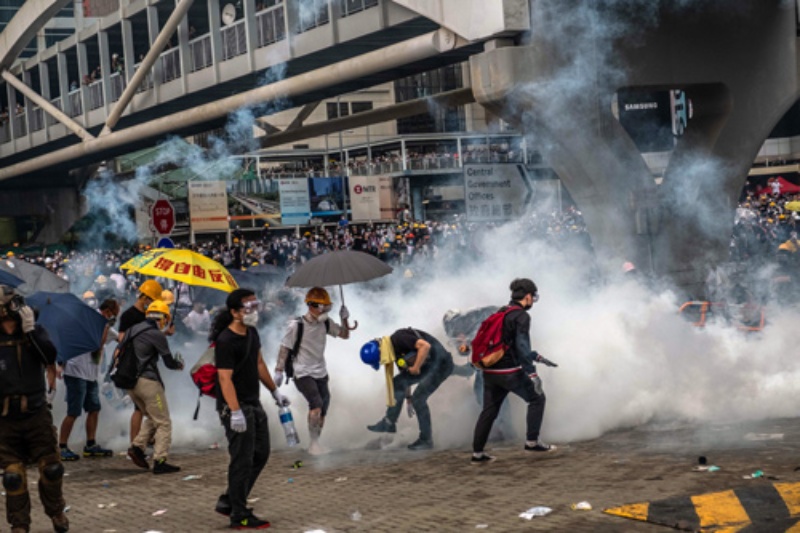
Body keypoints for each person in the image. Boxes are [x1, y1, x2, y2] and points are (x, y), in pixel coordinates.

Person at [211, 288, 289, 530]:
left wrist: (274, 391)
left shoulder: (252, 332)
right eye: (249, 307)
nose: (255, 310)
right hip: (235, 406)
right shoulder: (226, 341)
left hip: (253, 402)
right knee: (242, 460)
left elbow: (258, 363)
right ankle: (239, 513)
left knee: (260, 453)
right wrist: (235, 411)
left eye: (256, 305)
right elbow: (224, 379)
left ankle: (229, 500)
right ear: (235, 312)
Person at [0, 285, 69, 533]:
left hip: (36, 413)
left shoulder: (33, 332)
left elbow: (48, 356)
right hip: (5, 419)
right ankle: (19, 524)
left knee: (52, 469)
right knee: (13, 476)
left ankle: (56, 511)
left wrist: (30, 332)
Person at [471, 278, 558, 464]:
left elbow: (509, 346)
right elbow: (522, 347)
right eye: (533, 297)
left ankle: (477, 454)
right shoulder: (521, 316)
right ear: (528, 296)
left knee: (489, 411)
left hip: (490, 373)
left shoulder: (501, 312)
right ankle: (532, 443)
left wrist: (537, 357)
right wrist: (532, 374)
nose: (533, 301)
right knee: (537, 398)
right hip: (509, 372)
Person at [273, 287, 350, 455]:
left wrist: (344, 319)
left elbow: (344, 335)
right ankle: (313, 444)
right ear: (311, 306)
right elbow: (285, 348)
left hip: (321, 371)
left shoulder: (326, 323)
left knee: (323, 407)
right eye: (322, 307)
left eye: (327, 307)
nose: (325, 311)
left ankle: (317, 441)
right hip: (302, 372)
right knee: (316, 404)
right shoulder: (296, 325)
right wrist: (279, 370)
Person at [362, 326, 455, 450]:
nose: (381, 362)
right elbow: (405, 378)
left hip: (441, 365)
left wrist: (416, 367)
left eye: (379, 359)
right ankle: (389, 422)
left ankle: (426, 440)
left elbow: (425, 346)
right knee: (397, 383)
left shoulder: (398, 339)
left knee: (419, 399)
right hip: (430, 365)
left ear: (380, 351)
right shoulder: (393, 352)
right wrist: (408, 398)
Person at [124, 300, 184, 474]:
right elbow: (169, 362)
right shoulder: (156, 335)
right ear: (164, 318)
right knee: (164, 422)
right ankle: (160, 460)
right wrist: (179, 364)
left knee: (152, 417)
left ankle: (137, 447)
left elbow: (144, 343)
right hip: (148, 384)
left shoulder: (133, 330)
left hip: (130, 383)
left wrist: (164, 334)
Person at [57, 298, 120, 461]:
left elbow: (121, 338)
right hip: (76, 371)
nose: (113, 318)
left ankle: (90, 445)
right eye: (113, 315)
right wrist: (105, 327)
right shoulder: (89, 321)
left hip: (91, 373)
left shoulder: (104, 324)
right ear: (107, 311)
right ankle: (62, 447)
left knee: (94, 408)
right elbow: (97, 344)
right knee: (73, 411)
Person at [118, 279, 162, 444]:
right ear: (145, 297)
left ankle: (146, 439)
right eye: (152, 300)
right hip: (134, 366)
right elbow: (122, 339)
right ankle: (134, 443)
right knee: (139, 408)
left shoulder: (149, 316)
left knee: (149, 406)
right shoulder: (129, 315)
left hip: (148, 364)